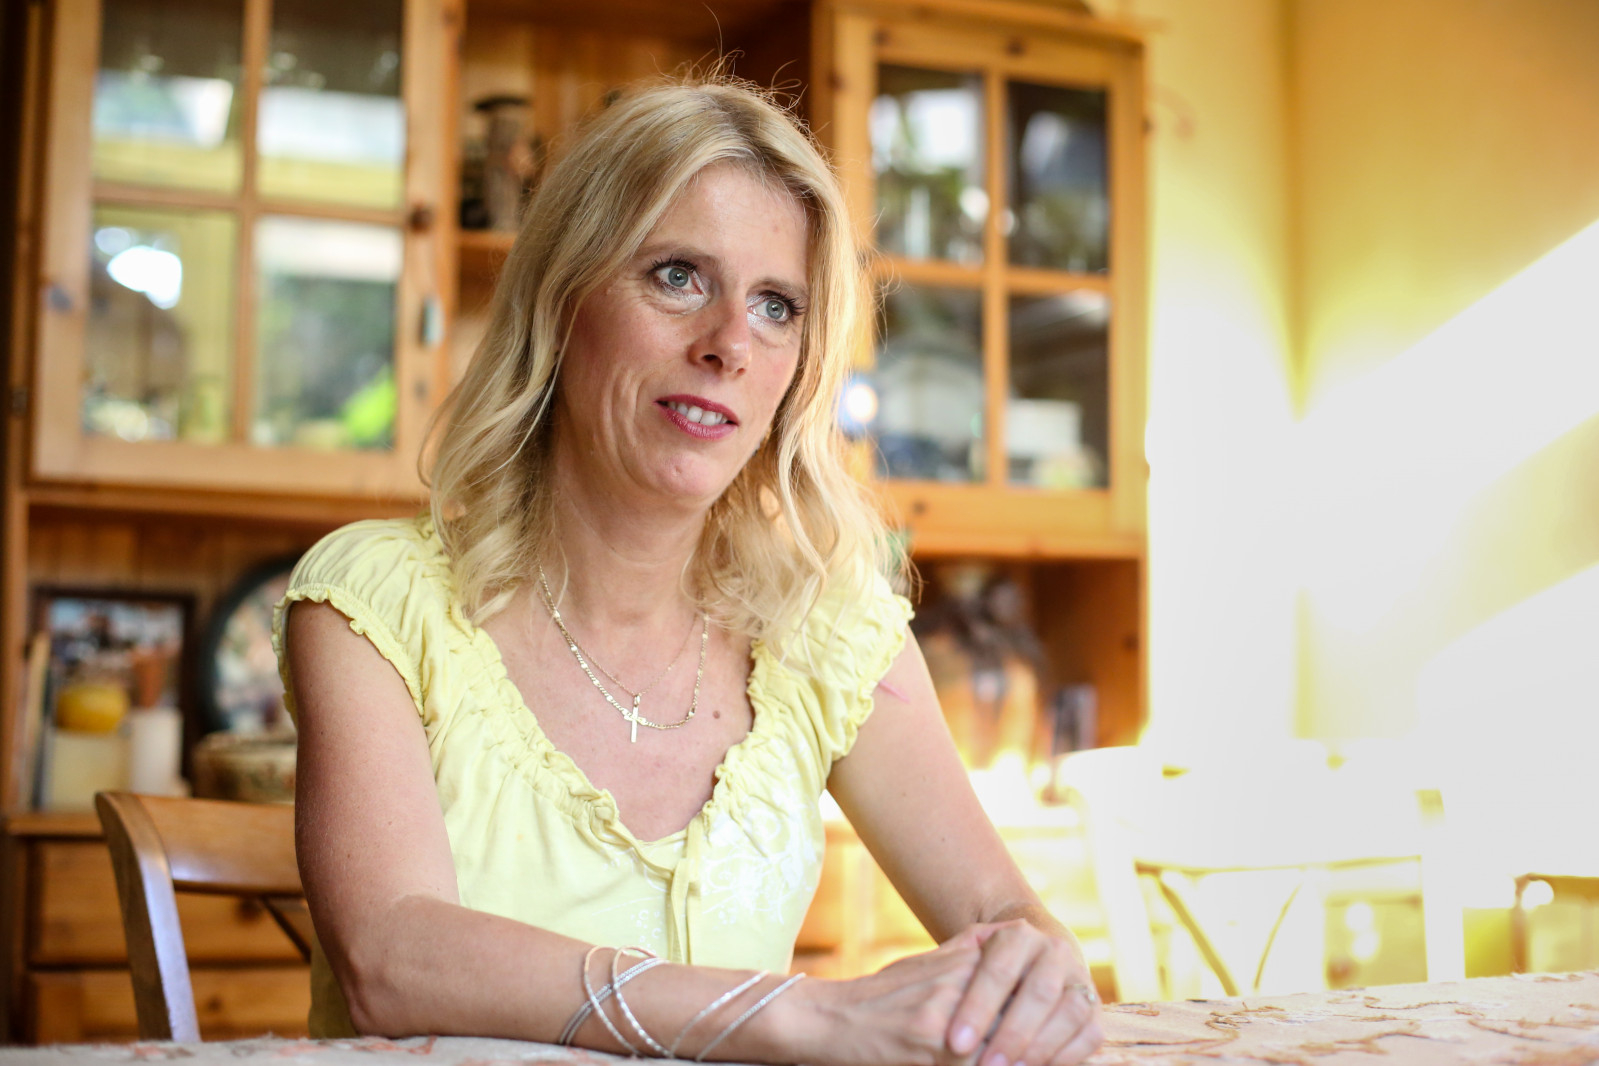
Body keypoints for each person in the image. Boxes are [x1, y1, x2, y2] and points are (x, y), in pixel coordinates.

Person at [273, 75, 1103, 1066]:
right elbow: (390, 957)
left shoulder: (826, 629)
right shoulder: (373, 603)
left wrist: (1038, 968)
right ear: (561, 299)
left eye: (776, 305)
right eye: (677, 276)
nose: (729, 345)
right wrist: (801, 1014)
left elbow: (1003, 916)